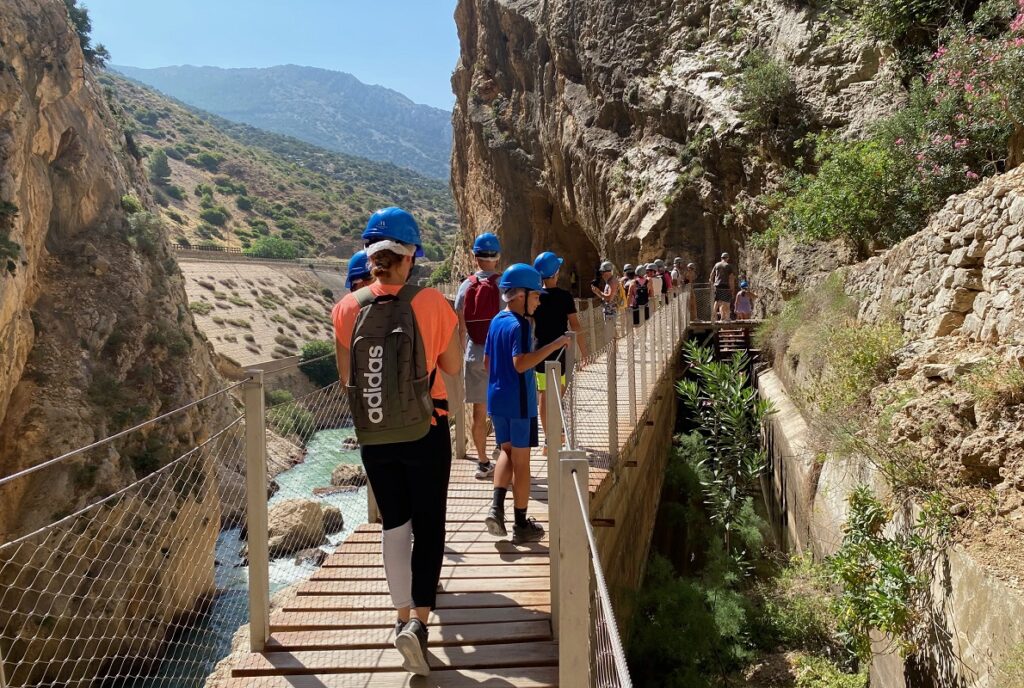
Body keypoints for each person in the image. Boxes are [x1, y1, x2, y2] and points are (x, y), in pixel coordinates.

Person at [332, 207, 461, 677]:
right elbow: (450, 367)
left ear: (370, 258)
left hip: (375, 436)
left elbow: (347, 376)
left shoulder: (346, 309)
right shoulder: (431, 303)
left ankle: (400, 614)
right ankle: (419, 627)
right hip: (426, 431)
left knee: (395, 526)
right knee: (429, 527)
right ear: (410, 258)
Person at [483, 264, 570, 542]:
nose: (539, 300)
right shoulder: (521, 325)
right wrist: (554, 345)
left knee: (505, 452)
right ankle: (521, 524)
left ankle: (496, 510)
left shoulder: (496, 320)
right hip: (520, 402)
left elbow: (487, 362)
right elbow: (520, 364)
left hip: (496, 399)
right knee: (522, 463)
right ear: (520, 295)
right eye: (535, 295)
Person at [454, 232, 502, 479]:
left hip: (474, 352)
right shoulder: (504, 285)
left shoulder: (465, 285)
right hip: (500, 355)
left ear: (475, 257)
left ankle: (482, 463)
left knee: (478, 412)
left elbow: (461, 327)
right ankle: (503, 453)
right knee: (503, 406)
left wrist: (468, 351)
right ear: (498, 257)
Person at [532, 251, 586, 438]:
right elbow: (576, 325)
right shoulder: (565, 297)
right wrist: (584, 352)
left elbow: (528, 324)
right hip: (561, 351)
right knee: (557, 395)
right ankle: (557, 432)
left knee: (544, 395)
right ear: (556, 273)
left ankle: (549, 438)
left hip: (539, 350)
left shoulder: (535, 296)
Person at [710, 252, 736, 321]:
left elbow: (711, 275)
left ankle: (713, 317)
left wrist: (712, 284)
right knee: (727, 302)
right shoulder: (728, 266)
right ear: (727, 258)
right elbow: (731, 278)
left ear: (721, 258)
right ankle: (727, 318)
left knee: (717, 301)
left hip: (717, 286)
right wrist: (732, 289)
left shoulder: (716, 265)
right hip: (725, 286)